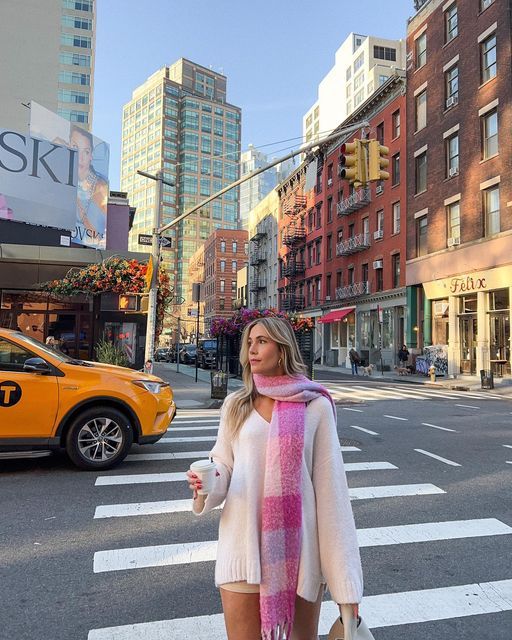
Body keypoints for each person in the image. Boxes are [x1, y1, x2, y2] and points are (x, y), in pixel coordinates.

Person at [186, 316, 363, 640]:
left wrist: (347, 588)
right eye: (249, 342)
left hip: (300, 556)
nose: (252, 349)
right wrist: (206, 483)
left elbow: (332, 497)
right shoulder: (235, 405)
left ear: (282, 350)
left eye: (262, 342)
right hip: (242, 547)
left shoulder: (316, 406)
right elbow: (223, 464)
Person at [69, 125, 108, 246]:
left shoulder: (101, 188)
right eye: (75, 147)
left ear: (91, 155)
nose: (80, 158)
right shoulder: (59, 179)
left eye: (85, 151)